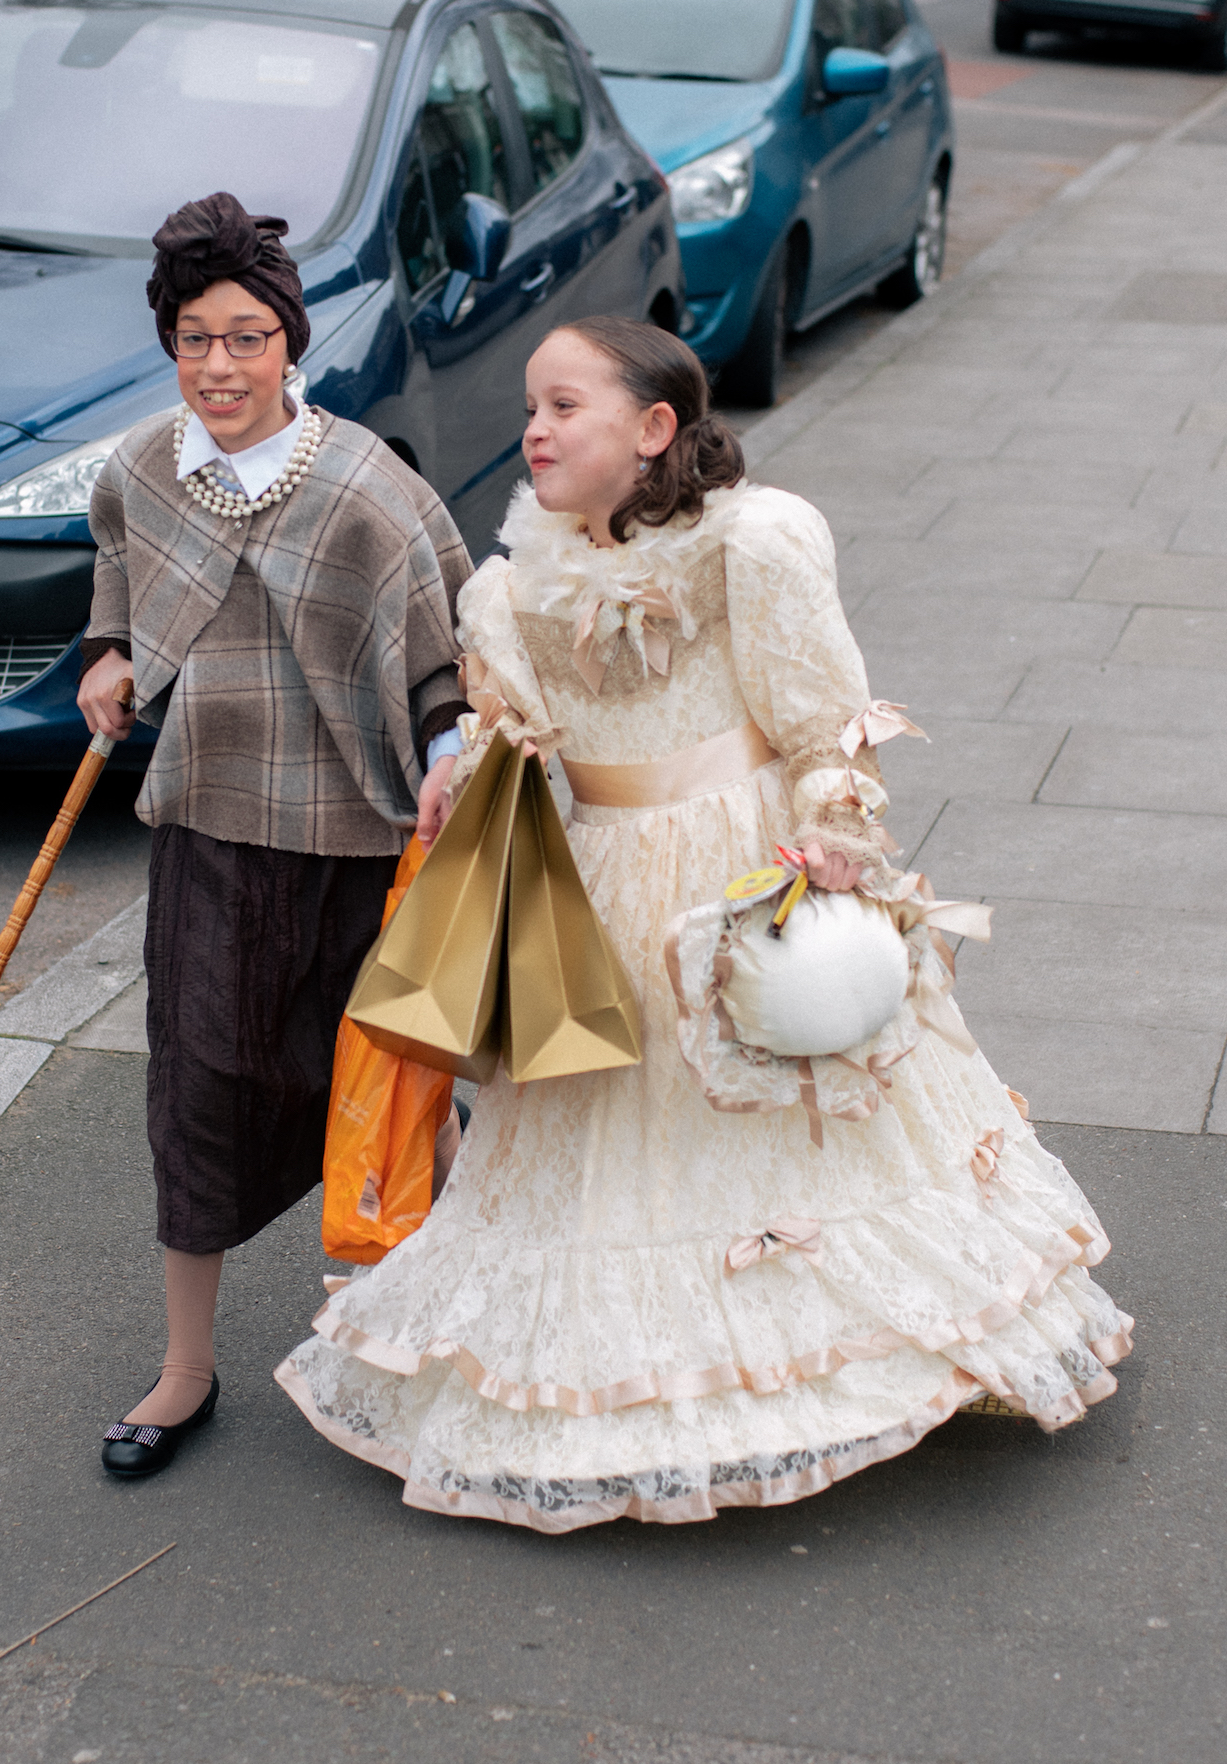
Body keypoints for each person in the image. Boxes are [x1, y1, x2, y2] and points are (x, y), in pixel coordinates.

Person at [276, 317, 1131, 1530]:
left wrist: (834, 825)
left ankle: (858, 1359)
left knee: (795, 1117)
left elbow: (821, 714)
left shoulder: (752, 544)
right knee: (619, 1147)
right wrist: (470, 766)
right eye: (530, 404)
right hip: (604, 899)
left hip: (746, 869)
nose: (534, 426)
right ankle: (647, 1391)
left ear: (654, 426)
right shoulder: (505, 590)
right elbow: (524, 749)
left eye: (565, 404)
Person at [79, 191, 472, 1480]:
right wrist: (111, 651)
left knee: (391, 1102)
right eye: (194, 338)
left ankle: (411, 1347)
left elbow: (440, 641)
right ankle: (185, 1369)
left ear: (288, 342)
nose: (219, 366)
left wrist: (454, 740)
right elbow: (117, 568)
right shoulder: (144, 467)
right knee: (194, 1095)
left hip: (357, 844)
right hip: (206, 830)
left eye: (246, 336)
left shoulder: (365, 484)